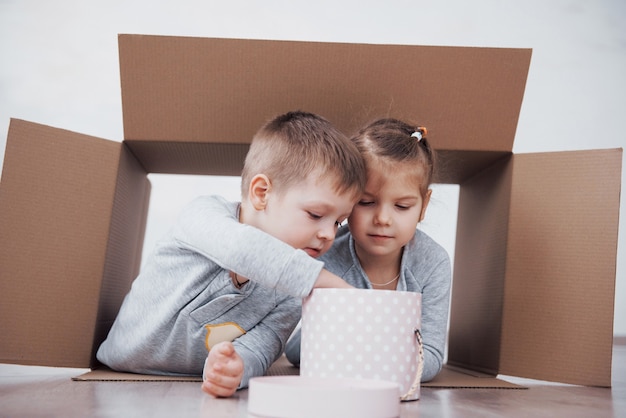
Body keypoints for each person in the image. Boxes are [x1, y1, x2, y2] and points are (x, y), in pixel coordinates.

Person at [96, 110, 367, 397]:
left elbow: (265, 344)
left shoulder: (293, 290)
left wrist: (237, 367)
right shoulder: (204, 215)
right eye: (315, 214)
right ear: (262, 193)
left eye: (338, 222)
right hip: (122, 367)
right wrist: (331, 284)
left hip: (185, 392)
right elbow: (241, 248)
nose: (329, 234)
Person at [285, 117, 451, 382]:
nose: (383, 218)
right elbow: (294, 350)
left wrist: (354, 346)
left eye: (402, 206)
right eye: (366, 202)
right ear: (347, 198)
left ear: (424, 206)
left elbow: (429, 359)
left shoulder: (433, 263)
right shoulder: (326, 253)